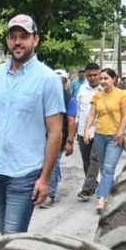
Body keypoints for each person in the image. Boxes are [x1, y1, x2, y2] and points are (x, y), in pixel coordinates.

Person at [0, 14, 63, 234]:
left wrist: (45, 178)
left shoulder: (48, 79)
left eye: (23, 36)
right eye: (13, 36)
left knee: (12, 236)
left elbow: (55, 131)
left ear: (35, 40)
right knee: (3, 229)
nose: (17, 42)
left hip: (25, 173)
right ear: (7, 41)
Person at [82, 68, 126, 213]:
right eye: (101, 78)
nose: (102, 81)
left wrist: (120, 132)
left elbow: (125, 116)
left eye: (106, 78)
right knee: (104, 169)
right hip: (99, 136)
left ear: (114, 79)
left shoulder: (123, 95)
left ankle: (101, 198)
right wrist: (86, 131)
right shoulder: (97, 96)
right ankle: (112, 190)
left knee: (108, 168)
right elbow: (92, 115)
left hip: (115, 137)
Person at [41, 69, 77, 208]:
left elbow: (71, 121)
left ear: (65, 82)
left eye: (60, 81)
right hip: (40, 135)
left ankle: (50, 194)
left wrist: (70, 142)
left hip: (58, 137)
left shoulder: (69, 99)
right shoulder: (43, 95)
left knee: (53, 165)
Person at [75, 62, 101, 199]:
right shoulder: (82, 89)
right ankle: (92, 184)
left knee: (95, 159)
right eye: (89, 75)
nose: (93, 78)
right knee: (86, 161)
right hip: (82, 131)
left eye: (95, 75)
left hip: (99, 131)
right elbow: (79, 109)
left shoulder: (104, 89)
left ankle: (86, 189)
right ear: (85, 75)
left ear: (99, 73)